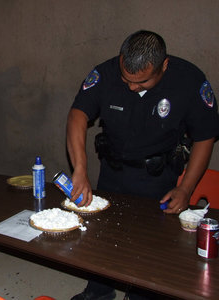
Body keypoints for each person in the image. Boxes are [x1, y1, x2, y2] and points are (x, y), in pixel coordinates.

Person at [67, 30, 219, 300]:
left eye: (142, 82)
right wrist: (80, 168)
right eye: (126, 79)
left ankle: (141, 293)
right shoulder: (105, 73)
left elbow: (205, 137)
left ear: (164, 65)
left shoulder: (189, 81)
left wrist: (185, 188)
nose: (132, 87)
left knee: (150, 245)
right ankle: (99, 290)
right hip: (112, 171)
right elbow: (78, 115)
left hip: (157, 177)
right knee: (103, 235)